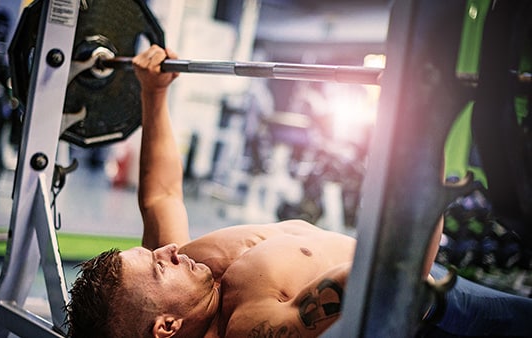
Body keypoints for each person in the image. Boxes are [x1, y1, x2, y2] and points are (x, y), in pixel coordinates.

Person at [65, 45, 532, 338]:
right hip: (447, 312)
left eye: (152, 253)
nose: (164, 249)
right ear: (166, 327)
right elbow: (395, 274)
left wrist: (154, 91)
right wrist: (419, 126)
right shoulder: (252, 326)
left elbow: (161, 195)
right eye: (157, 265)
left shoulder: (186, 271)